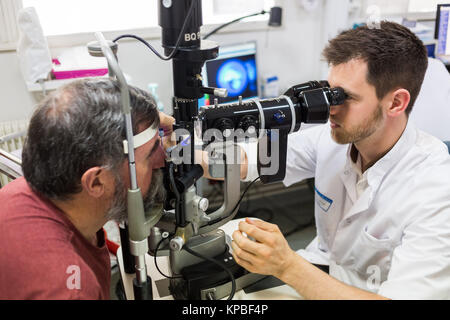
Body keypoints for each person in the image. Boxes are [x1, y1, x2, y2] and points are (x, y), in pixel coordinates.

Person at [230, 21, 450, 299]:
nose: (330, 110)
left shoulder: (436, 190)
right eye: (330, 92)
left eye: (346, 98)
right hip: (323, 271)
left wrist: (287, 266)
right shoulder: (335, 136)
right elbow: (252, 160)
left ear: (395, 103)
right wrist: (180, 150)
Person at [0, 78, 171, 299]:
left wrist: (180, 142)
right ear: (97, 182)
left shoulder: (29, 190)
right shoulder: (69, 290)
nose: (162, 162)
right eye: (150, 155)